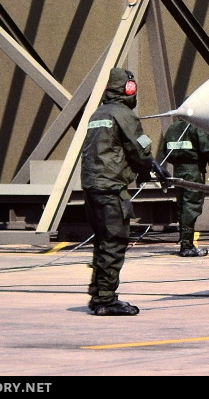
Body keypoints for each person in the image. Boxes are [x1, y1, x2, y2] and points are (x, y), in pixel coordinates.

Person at [80, 68, 161, 316]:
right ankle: (106, 299)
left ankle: (98, 296)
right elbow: (139, 147)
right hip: (111, 188)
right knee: (115, 241)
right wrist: (152, 166)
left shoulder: (98, 114)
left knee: (103, 241)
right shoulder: (123, 114)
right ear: (128, 90)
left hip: (92, 186)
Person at [160, 117, 209, 257]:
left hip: (178, 171)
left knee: (182, 207)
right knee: (191, 206)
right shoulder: (197, 125)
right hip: (193, 171)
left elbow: (165, 151)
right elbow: (206, 148)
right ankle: (187, 246)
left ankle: (185, 243)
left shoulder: (172, 128)